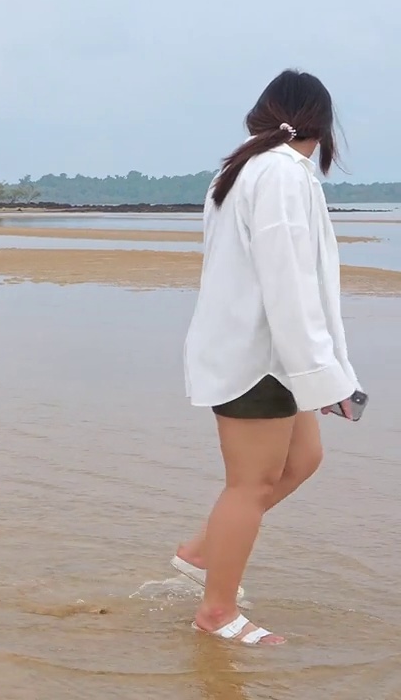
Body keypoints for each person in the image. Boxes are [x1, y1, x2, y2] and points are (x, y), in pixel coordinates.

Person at [179, 68, 363, 646]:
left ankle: (203, 552)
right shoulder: (280, 173)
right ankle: (215, 611)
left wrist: (321, 371)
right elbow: (289, 283)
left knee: (302, 459)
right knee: (251, 486)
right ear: (324, 126)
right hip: (260, 354)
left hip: (267, 352)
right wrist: (324, 374)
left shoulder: (247, 169)